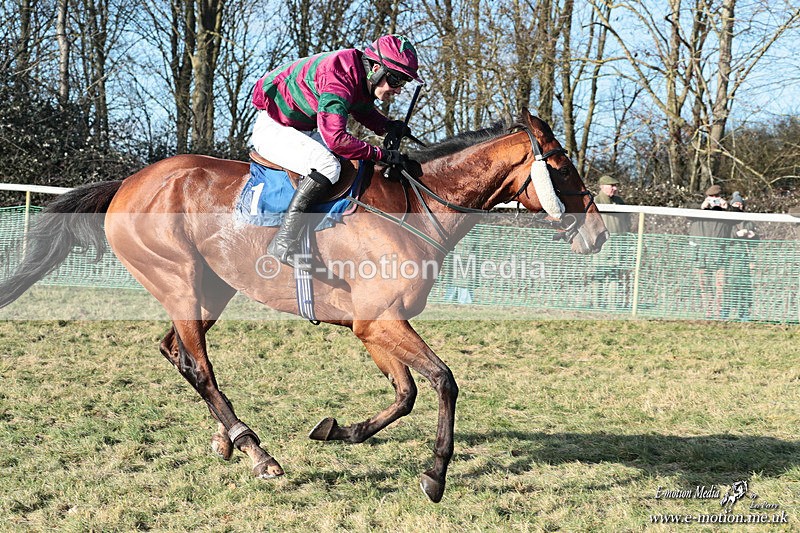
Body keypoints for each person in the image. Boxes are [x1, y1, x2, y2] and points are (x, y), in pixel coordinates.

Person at [250, 34, 423, 267]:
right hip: (274, 127)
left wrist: (388, 126)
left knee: (346, 164)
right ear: (375, 69)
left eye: (403, 83)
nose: (399, 89)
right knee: (328, 165)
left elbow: (361, 108)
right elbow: (337, 140)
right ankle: (283, 242)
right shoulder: (339, 77)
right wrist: (379, 154)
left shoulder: (358, 73)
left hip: (300, 127)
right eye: (395, 80)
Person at [688, 184, 735, 319]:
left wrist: (728, 208)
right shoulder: (697, 209)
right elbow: (685, 211)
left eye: (717, 197)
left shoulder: (727, 212)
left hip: (720, 254)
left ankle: (719, 314)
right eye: (711, 197)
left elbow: (741, 216)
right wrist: (701, 207)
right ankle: (707, 313)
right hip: (700, 254)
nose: (714, 200)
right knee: (704, 286)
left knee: (721, 287)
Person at [591, 175, 632, 310]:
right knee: (599, 274)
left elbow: (627, 222)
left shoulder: (620, 202)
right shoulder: (595, 201)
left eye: (616, 186)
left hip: (618, 244)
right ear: (602, 186)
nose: (614, 189)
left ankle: (612, 306)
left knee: (615, 274)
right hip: (601, 244)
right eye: (611, 186)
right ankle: (597, 304)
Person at [726, 192, 759, 320]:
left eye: (740, 204)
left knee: (745, 288)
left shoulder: (749, 222)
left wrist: (753, 236)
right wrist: (736, 235)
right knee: (729, 287)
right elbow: (723, 236)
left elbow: (756, 241)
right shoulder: (727, 221)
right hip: (730, 259)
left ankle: (744, 314)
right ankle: (725, 313)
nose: (738, 206)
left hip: (745, 260)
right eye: (736, 203)